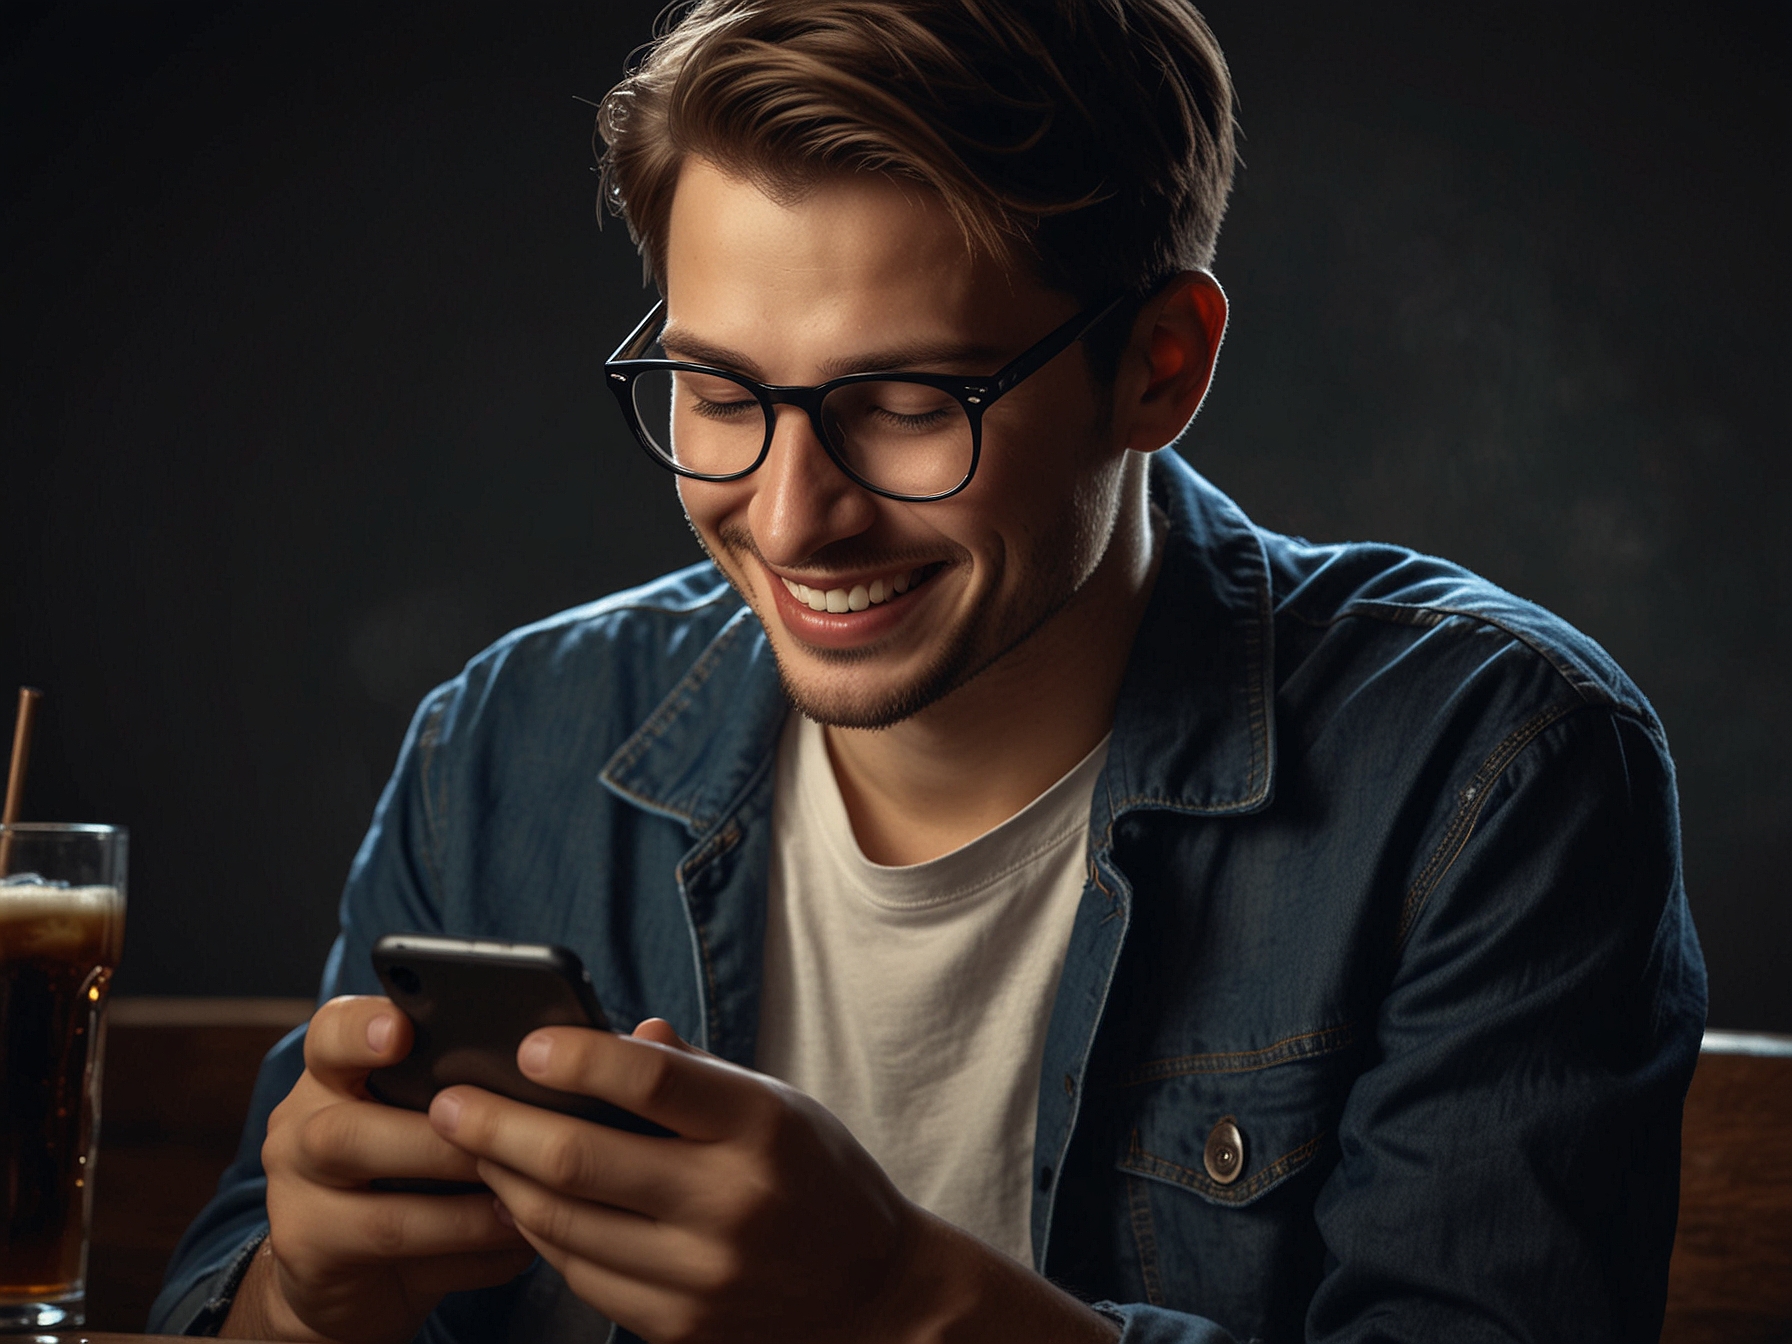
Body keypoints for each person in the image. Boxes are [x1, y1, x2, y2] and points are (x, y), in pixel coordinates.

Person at [151, 1, 1707, 1340]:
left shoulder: (1490, 769)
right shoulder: (506, 742)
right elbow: (243, 1292)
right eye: (715, 390)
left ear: (1160, 365)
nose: (789, 514)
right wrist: (308, 1304)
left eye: (903, 402)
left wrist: (896, 1300)